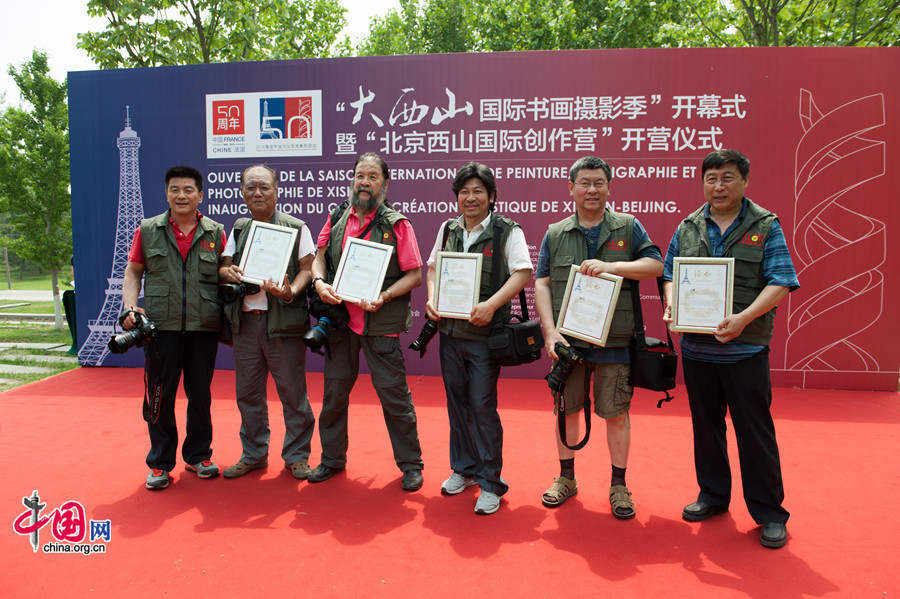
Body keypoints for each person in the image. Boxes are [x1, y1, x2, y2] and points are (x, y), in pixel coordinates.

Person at [662, 149, 798, 549]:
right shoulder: (688, 226)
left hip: (745, 351)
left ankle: (769, 512)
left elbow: (780, 282)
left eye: (727, 178)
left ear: (744, 181)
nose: (718, 186)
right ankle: (713, 495)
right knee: (706, 429)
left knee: (754, 433)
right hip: (698, 352)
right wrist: (671, 301)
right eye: (711, 179)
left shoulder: (765, 225)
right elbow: (671, 272)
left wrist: (743, 319)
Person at [534, 156, 662, 518]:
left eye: (599, 183)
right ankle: (566, 478)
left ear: (609, 187)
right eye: (585, 183)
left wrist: (613, 267)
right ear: (571, 187)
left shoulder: (628, 227)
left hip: (615, 341)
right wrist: (550, 331)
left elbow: (655, 265)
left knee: (616, 414)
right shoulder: (556, 232)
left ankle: (619, 485)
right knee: (566, 410)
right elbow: (542, 282)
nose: (592, 190)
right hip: (569, 343)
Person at [307, 152, 425, 491]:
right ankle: (331, 459)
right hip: (341, 322)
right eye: (360, 175)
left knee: (394, 397)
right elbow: (318, 258)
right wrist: (319, 282)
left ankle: (410, 464)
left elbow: (414, 275)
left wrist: (385, 296)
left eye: (373, 177)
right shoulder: (336, 216)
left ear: (385, 184)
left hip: (380, 323)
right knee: (334, 395)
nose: (364, 182)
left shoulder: (397, 224)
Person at [424, 162, 533, 515]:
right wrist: (431, 298)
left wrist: (491, 304)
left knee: (483, 407)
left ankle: (491, 482)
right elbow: (433, 269)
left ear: (491, 196)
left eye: (477, 192)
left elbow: (522, 273)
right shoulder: (447, 229)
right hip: (450, 334)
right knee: (457, 404)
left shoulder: (507, 231)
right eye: (464, 192)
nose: (470, 198)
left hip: (485, 337)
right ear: (457, 197)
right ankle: (464, 470)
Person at [121, 166, 226, 490]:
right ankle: (160, 462)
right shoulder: (148, 229)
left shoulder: (215, 232)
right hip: (160, 327)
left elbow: (226, 272)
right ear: (167, 194)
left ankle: (198, 456)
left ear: (201, 195)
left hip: (202, 327)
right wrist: (128, 307)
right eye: (175, 190)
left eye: (188, 190)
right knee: (158, 397)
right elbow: (133, 271)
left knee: (200, 395)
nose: (181, 195)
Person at [218, 165, 317, 480]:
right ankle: (254, 453)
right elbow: (224, 266)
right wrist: (227, 273)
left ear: (277, 189)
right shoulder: (239, 228)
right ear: (242, 193)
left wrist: (291, 291)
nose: (257, 193)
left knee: (292, 393)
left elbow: (307, 269)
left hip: (283, 324)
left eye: (264, 187)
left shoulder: (296, 227)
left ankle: (297, 455)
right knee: (248, 394)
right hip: (246, 322)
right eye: (251, 188)